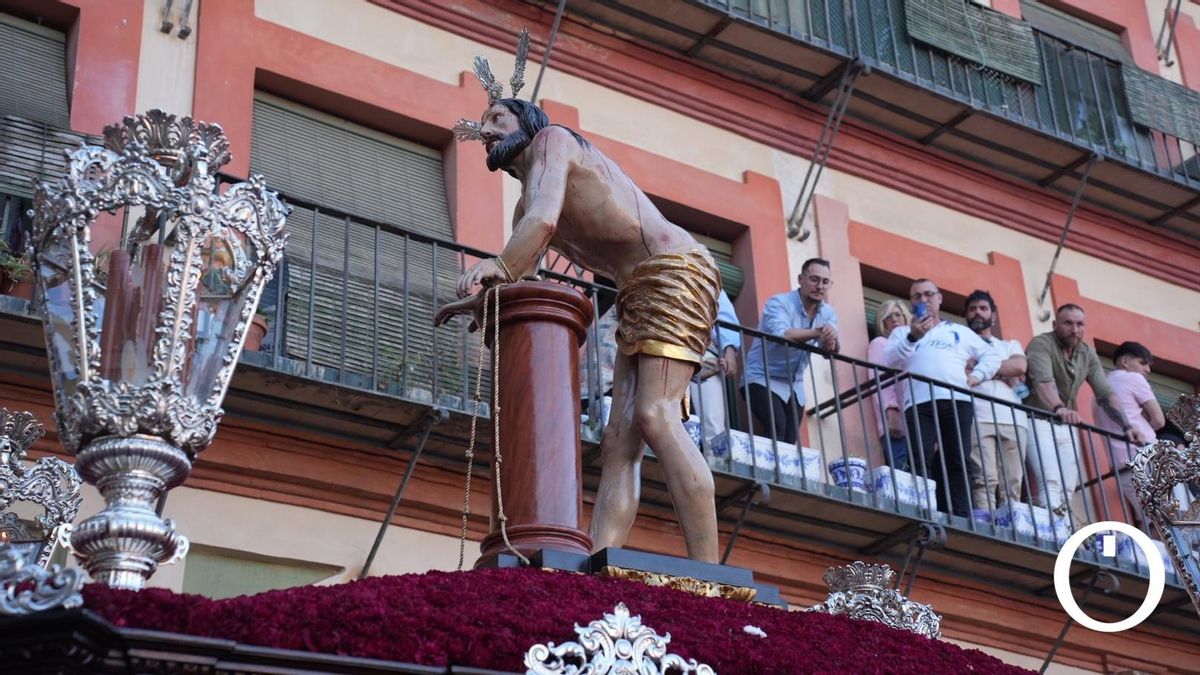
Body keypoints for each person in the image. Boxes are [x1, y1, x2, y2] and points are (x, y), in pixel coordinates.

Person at [435, 45, 722, 562]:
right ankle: (600, 561)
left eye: (498, 119)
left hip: (675, 268)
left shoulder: (554, 142)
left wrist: (494, 268)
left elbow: (541, 226)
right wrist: (481, 304)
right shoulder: (525, 202)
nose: (488, 131)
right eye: (484, 125)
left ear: (528, 122)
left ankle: (711, 575)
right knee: (618, 442)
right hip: (639, 290)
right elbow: (519, 270)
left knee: (656, 415)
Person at [884, 279, 1000, 517]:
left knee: (957, 458)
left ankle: (960, 514)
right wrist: (913, 337)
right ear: (911, 302)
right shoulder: (902, 332)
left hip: (957, 399)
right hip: (918, 402)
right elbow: (890, 361)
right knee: (920, 457)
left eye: (928, 294)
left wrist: (976, 377)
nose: (923, 300)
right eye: (917, 296)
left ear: (939, 299)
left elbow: (992, 356)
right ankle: (923, 511)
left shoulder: (958, 330)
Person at [1024, 304, 1143, 525]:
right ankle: (1051, 532)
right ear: (1055, 325)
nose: (1075, 329)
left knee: (1068, 489)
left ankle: (1064, 531)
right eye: (1068, 323)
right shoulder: (1042, 344)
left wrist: (1127, 426)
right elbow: (1043, 383)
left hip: (1067, 426)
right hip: (1037, 419)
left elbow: (1105, 393)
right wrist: (1060, 409)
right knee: (1049, 482)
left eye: (1079, 324)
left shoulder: (1086, 353)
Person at [741, 258, 839, 445]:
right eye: (814, 279)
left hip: (794, 385)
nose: (820, 286)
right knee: (777, 426)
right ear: (801, 279)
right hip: (762, 377)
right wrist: (819, 332)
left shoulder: (828, 312)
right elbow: (782, 334)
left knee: (790, 439)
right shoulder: (779, 302)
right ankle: (770, 474)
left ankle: (781, 474)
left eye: (825, 282)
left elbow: (829, 351)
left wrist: (830, 339)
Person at [964, 290, 1028, 513]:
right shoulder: (961, 343)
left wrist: (982, 368)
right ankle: (986, 527)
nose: (977, 313)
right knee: (984, 479)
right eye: (972, 309)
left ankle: (1013, 530)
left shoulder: (1009, 345)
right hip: (977, 416)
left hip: (1014, 419)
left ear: (993, 314)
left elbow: (1020, 367)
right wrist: (1003, 371)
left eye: (983, 308)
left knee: (1013, 483)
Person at [1092, 341, 1164, 525]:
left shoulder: (1098, 392)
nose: (1147, 369)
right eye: (1143, 362)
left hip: (1121, 465)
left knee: (1151, 520)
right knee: (1173, 516)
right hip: (1147, 455)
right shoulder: (1133, 378)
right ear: (1125, 361)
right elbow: (1159, 419)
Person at [689, 289, 741, 448]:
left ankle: (715, 467)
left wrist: (729, 353)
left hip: (705, 354)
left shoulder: (710, 281)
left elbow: (725, 319)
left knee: (713, 422)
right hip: (666, 350)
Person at [866, 299, 911, 470]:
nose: (894, 319)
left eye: (898, 315)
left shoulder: (913, 347)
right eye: (888, 316)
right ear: (882, 322)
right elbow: (880, 381)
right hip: (895, 421)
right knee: (902, 472)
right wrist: (892, 413)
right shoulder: (880, 343)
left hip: (916, 419)